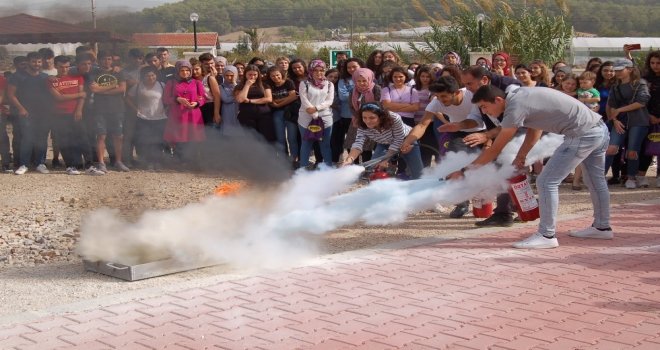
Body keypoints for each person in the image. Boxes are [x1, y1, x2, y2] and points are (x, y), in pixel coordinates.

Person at [448, 85, 612, 249]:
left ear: (498, 100)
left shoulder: (514, 107)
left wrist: (464, 172)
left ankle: (547, 235)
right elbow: (535, 129)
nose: (484, 112)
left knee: (546, 182)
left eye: (484, 106)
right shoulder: (521, 96)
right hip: (599, 128)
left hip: (581, 134)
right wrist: (521, 155)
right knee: (595, 181)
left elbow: (496, 148)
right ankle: (602, 227)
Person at [414, 76, 485, 217]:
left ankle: (504, 206)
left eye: (444, 96)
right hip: (458, 132)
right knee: (454, 164)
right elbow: (422, 124)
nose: (440, 100)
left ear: (457, 92)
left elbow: (476, 121)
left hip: (483, 130)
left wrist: (458, 125)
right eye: (437, 96)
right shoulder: (436, 102)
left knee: (489, 166)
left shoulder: (472, 95)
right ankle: (462, 203)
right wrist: (408, 141)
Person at [342, 102, 423, 179]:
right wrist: (349, 159)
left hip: (406, 141)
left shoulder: (394, 118)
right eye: (364, 117)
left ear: (381, 117)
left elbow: (398, 139)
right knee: (372, 167)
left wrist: (386, 159)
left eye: (372, 117)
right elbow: (358, 144)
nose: (367, 121)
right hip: (384, 143)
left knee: (418, 173)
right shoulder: (362, 124)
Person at [605, 59, 651, 189]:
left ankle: (631, 177)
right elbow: (612, 105)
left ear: (630, 69)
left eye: (621, 69)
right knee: (611, 148)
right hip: (619, 121)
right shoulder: (615, 86)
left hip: (638, 121)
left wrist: (619, 110)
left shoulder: (640, 84)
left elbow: (642, 102)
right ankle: (600, 176)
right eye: (617, 70)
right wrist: (615, 120)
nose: (617, 72)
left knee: (632, 151)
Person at [7, 52, 52, 175]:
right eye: (34, 61)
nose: (36, 64)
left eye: (39, 62)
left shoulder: (45, 77)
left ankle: (40, 163)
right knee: (27, 138)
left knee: (42, 139)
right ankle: (24, 164)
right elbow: (11, 95)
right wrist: (21, 108)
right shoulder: (17, 77)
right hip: (26, 113)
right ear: (28, 62)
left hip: (43, 113)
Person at [90, 51, 129, 173]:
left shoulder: (119, 72)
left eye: (109, 59)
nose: (106, 62)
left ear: (112, 60)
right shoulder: (94, 72)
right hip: (100, 109)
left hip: (117, 108)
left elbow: (122, 88)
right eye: (104, 59)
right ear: (99, 60)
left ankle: (118, 161)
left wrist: (101, 90)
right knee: (101, 135)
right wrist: (113, 86)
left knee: (118, 136)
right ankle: (101, 163)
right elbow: (93, 89)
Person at [47, 55, 86, 175]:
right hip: (58, 114)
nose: (64, 69)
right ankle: (70, 165)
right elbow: (59, 97)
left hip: (75, 113)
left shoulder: (77, 77)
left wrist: (79, 110)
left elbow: (83, 96)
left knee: (78, 138)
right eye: (61, 67)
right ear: (55, 66)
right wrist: (79, 95)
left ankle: (79, 163)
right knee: (64, 140)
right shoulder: (50, 80)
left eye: (67, 67)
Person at [163, 60, 206, 164]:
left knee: (193, 137)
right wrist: (177, 99)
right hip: (177, 115)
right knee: (178, 137)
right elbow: (165, 99)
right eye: (182, 70)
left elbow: (203, 98)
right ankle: (179, 161)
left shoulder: (197, 83)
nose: (185, 72)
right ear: (178, 71)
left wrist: (196, 103)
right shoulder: (171, 83)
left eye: (187, 70)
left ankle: (192, 161)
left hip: (193, 115)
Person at [125, 66, 167, 169]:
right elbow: (127, 97)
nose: (150, 77)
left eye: (153, 75)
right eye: (147, 76)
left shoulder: (162, 85)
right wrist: (136, 109)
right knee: (145, 141)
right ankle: (148, 162)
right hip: (143, 118)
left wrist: (167, 109)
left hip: (159, 117)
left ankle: (157, 162)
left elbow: (169, 98)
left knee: (158, 141)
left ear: (156, 75)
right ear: (143, 77)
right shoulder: (138, 86)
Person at [298, 59, 334, 169]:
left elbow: (329, 101)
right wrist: (312, 112)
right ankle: (303, 168)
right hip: (306, 118)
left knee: (325, 144)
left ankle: (328, 167)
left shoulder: (329, 84)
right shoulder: (304, 83)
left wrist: (316, 109)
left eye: (322, 70)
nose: (319, 73)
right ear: (311, 71)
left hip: (325, 118)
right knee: (306, 144)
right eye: (316, 70)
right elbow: (304, 100)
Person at [332, 57, 363, 163]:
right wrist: (360, 92)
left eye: (354, 66)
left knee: (366, 143)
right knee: (351, 142)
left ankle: (366, 165)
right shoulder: (343, 80)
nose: (351, 69)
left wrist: (354, 93)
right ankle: (354, 163)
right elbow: (343, 97)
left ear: (360, 66)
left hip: (365, 115)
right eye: (349, 67)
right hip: (347, 115)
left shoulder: (368, 77)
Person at [234, 64, 274, 142]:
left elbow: (269, 99)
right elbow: (240, 99)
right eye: (250, 74)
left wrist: (250, 101)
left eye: (255, 75)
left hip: (264, 116)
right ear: (245, 74)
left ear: (258, 75)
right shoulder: (239, 86)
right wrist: (247, 85)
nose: (252, 77)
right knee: (251, 139)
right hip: (247, 116)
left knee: (266, 139)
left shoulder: (264, 85)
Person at [638, 51, 660, 188]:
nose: (655, 66)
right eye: (652, 63)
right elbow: (641, 99)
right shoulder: (645, 79)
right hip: (647, 117)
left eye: (658, 63)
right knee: (646, 147)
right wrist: (649, 116)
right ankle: (640, 176)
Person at [266, 66, 297, 156]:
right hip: (276, 113)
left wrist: (278, 103)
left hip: (290, 113)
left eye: (277, 75)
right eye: (273, 76)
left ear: (281, 74)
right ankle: (283, 159)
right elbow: (270, 100)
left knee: (292, 138)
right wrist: (286, 98)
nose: (276, 77)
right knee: (280, 138)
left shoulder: (288, 82)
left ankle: (294, 158)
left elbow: (293, 96)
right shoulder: (268, 85)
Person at [198, 53, 221, 128]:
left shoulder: (211, 78)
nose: (210, 66)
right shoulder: (204, 77)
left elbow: (217, 96)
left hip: (211, 107)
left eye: (212, 63)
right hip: (203, 107)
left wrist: (216, 113)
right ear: (201, 64)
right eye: (207, 64)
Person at [218, 65, 240, 135]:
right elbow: (225, 99)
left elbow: (241, 97)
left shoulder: (239, 85)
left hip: (238, 109)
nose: (229, 77)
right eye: (227, 75)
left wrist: (234, 84)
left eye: (232, 75)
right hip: (227, 110)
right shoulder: (221, 86)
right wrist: (236, 97)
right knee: (228, 129)